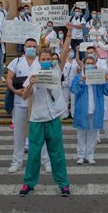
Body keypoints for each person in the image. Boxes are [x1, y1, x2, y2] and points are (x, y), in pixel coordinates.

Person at [18, 47, 71, 197]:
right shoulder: (32, 74)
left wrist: (68, 35)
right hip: (37, 118)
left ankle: (63, 184)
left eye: (49, 59)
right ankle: (28, 183)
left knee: (57, 152)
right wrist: (30, 84)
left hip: (53, 117)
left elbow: (65, 51)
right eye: (44, 59)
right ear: (39, 60)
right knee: (34, 153)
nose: (47, 61)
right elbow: (24, 96)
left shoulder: (56, 72)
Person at [6, 38, 52, 173]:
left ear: (37, 47)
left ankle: (46, 161)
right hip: (20, 101)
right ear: (24, 47)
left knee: (41, 134)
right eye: (29, 46)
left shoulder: (42, 61)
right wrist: (15, 91)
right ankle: (17, 161)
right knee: (19, 133)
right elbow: (9, 78)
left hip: (38, 103)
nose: (31, 48)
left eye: (33, 46)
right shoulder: (17, 62)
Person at [70, 54, 108, 165]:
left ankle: (90, 155)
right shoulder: (78, 77)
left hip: (95, 110)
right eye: (87, 63)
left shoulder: (99, 77)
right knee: (81, 135)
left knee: (92, 135)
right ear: (83, 65)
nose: (89, 65)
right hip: (82, 111)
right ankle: (80, 155)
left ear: (95, 65)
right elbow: (73, 90)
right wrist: (81, 81)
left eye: (91, 63)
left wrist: (107, 81)